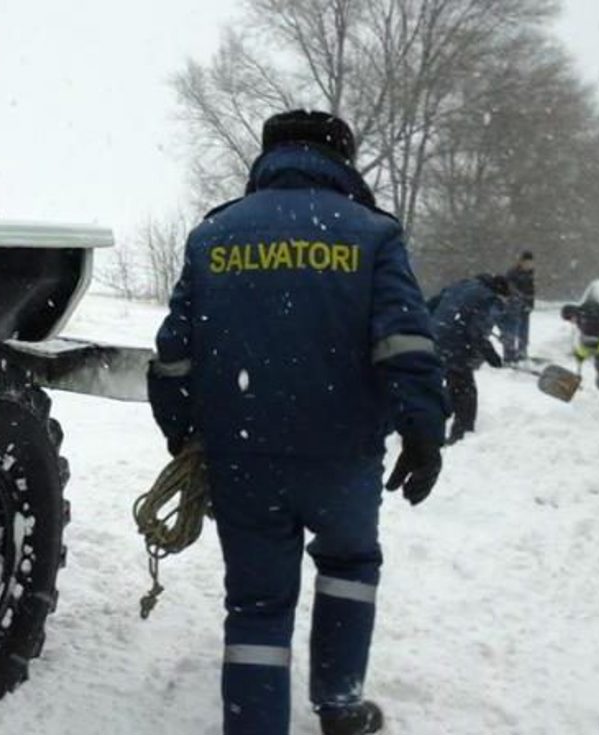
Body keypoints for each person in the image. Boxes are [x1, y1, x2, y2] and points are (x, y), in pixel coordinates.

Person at [147, 110, 448, 735]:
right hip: (344, 456)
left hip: (243, 457)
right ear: (343, 159)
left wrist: (181, 430)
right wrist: (423, 428)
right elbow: (405, 342)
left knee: (257, 603)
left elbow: (174, 352)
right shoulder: (372, 234)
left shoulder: (214, 236)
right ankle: (339, 706)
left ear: (269, 155)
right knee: (349, 569)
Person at [427, 274, 509, 444]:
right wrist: (491, 356)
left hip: (434, 338)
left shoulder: (461, 285)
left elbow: (430, 305)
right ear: (499, 293)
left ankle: (425, 427)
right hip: (455, 344)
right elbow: (475, 332)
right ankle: (462, 434)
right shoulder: (487, 298)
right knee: (465, 390)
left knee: (448, 385)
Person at [500, 251, 536, 363]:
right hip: (513, 306)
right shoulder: (513, 273)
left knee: (523, 331)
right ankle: (509, 354)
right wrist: (518, 298)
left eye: (531, 263)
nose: (529, 265)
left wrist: (530, 303)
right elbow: (510, 289)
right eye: (527, 262)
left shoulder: (530, 273)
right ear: (521, 262)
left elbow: (531, 290)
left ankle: (522, 352)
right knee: (511, 329)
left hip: (525, 307)